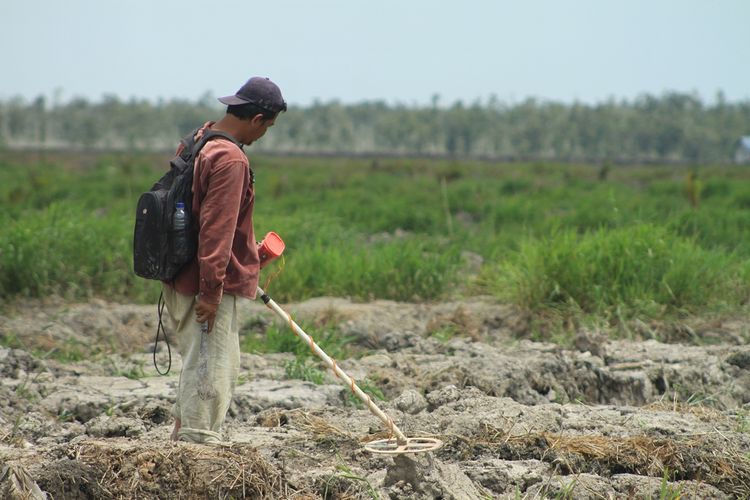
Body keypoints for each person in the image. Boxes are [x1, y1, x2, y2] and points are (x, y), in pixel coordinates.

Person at [163, 76, 286, 443]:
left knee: (197, 363)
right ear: (258, 118)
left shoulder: (199, 139)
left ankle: (184, 439)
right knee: (211, 370)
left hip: (180, 275)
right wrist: (212, 293)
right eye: (268, 127)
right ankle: (197, 452)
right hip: (204, 285)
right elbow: (215, 233)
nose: (264, 135)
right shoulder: (231, 159)